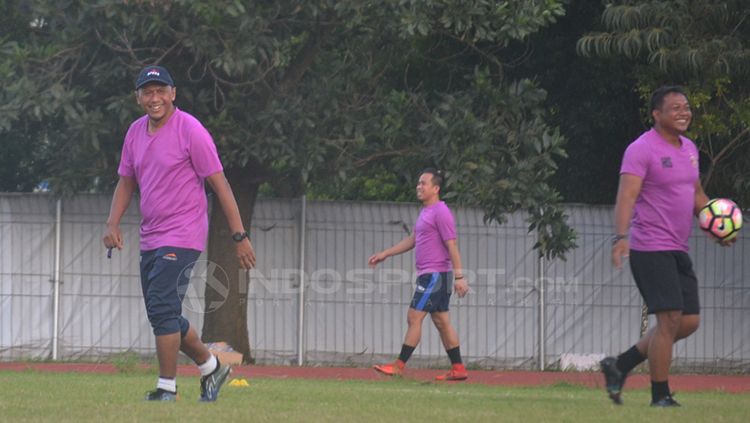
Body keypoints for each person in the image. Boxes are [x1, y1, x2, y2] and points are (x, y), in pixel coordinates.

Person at [103, 65, 256, 402]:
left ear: (173, 93)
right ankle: (212, 366)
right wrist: (112, 223)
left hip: (183, 234)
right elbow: (127, 180)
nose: (154, 97)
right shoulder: (134, 132)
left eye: (161, 90)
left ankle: (166, 388)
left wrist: (239, 236)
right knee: (165, 312)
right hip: (150, 236)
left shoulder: (191, 130)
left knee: (161, 307)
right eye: (147, 91)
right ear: (139, 98)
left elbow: (220, 184)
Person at [602, 85, 735, 407]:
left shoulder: (689, 148)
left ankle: (619, 364)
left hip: (678, 247)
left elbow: (698, 195)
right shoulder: (641, 149)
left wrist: (716, 224)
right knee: (669, 318)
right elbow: (627, 196)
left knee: (688, 321)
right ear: (656, 114)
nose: (684, 112)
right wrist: (621, 238)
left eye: (686, 107)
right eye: (675, 108)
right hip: (650, 248)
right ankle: (660, 395)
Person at [368, 168, 470, 381]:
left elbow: (452, 246)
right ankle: (458, 368)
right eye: (418, 183)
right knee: (442, 321)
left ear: (436, 188)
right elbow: (413, 240)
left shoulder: (441, 212)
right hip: (433, 275)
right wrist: (386, 253)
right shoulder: (426, 212)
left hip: (435, 275)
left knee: (414, 317)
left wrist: (459, 277)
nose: (419, 187)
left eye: (423, 183)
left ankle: (399, 366)